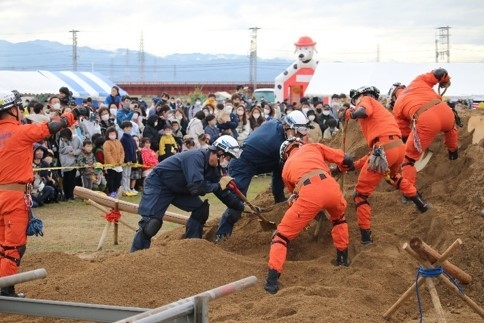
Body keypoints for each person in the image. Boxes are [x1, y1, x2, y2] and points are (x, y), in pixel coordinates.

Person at [0, 90, 87, 297]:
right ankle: (5, 292)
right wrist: (74, 113)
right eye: (19, 108)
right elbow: (52, 127)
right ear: (12, 111)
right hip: (14, 198)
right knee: (13, 248)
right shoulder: (21, 131)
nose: (21, 111)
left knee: (2, 246)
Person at [264, 138, 354, 294]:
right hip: (332, 187)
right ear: (300, 144)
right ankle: (343, 260)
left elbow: (295, 196)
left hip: (309, 193)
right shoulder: (313, 147)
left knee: (281, 236)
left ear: (284, 155)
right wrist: (343, 168)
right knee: (339, 220)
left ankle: (271, 282)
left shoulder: (286, 168)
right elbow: (346, 159)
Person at [130, 135, 250, 252]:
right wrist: (217, 185)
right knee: (151, 224)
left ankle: (192, 247)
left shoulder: (214, 170)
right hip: (159, 185)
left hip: (180, 188)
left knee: (201, 210)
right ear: (219, 153)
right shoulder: (195, 157)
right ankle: (135, 256)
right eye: (227, 158)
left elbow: (222, 193)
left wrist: (241, 207)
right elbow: (196, 188)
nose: (227, 163)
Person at [345, 86, 429, 245]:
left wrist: (350, 113)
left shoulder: (366, 100)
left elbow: (362, 111)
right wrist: (353, 166)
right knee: (394, 176)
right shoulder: (382, 113)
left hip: (383, 148)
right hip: (397, 148)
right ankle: (421, 203)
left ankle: (366, 238)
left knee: (360, 195)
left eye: (355, 100)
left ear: (361, 95)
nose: (355, 103)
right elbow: (375, 152)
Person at [215, 110, 310, 242]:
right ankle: (222, 235)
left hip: (263, 161)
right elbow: (290, 166)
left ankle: (280, 204)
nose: (300, 136)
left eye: (302, 132)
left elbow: (280, 173)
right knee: (237, 202)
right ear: (288, 127)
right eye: (298, 132)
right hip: (242, 164)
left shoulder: (276, 124)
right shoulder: (276, 143)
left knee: (279, 178)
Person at [391, 68, 459, 191]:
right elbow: (439, 72)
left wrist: (411, 146)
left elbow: (404, 133)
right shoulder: (417, 82)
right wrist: (446, 80)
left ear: (393, 97)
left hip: (427, 120)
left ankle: (409, 192)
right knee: (450, 130)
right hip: (445, 111)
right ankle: (453, 154)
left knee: (408, 160)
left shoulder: (397, 105)